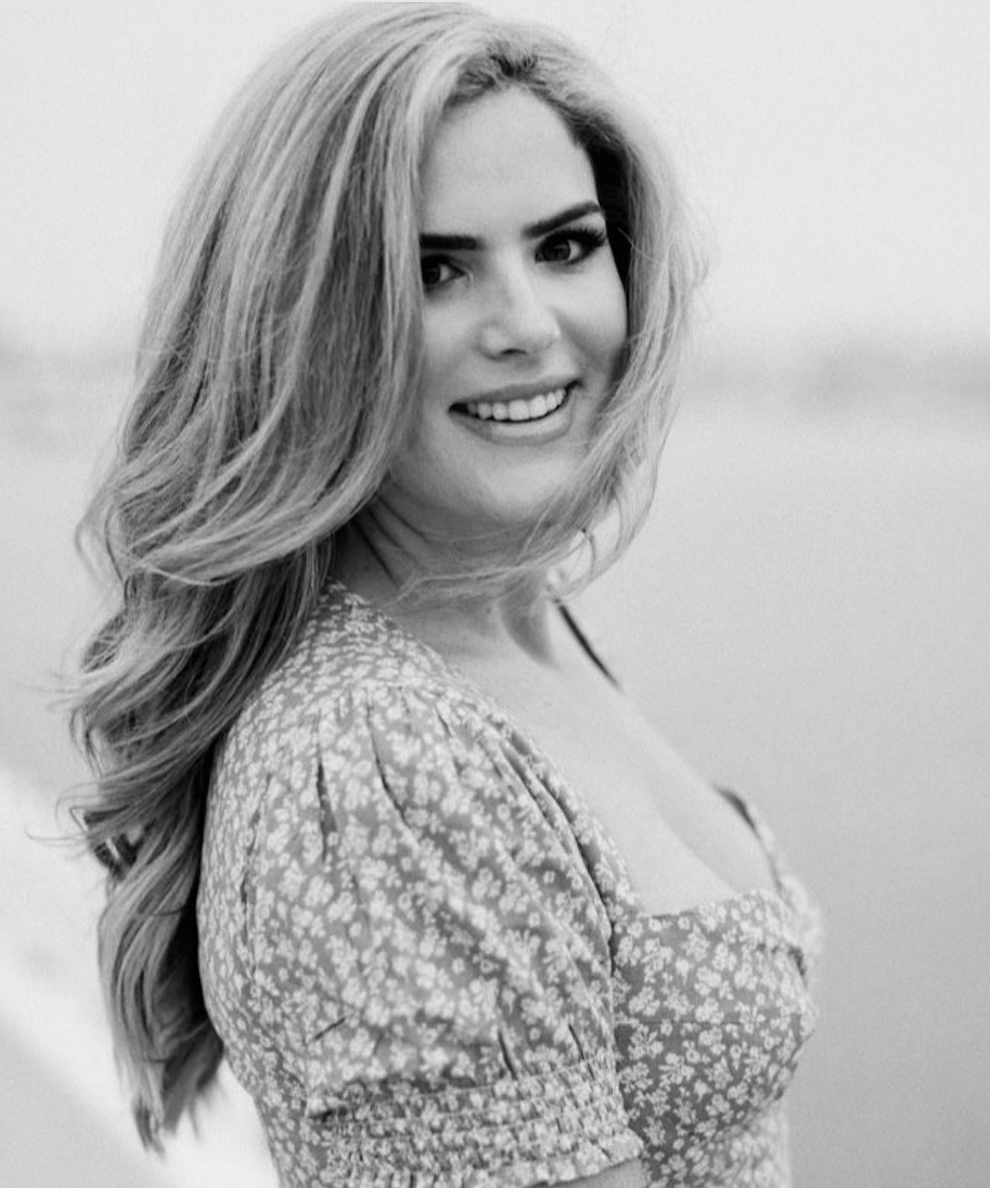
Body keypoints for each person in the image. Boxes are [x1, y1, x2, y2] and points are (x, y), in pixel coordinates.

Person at [69, 5, 821, 1186]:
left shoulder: (518, 625)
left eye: (566, 247)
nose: (527, 326)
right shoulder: (377, 766)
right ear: (299, 324)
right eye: (435, 269)